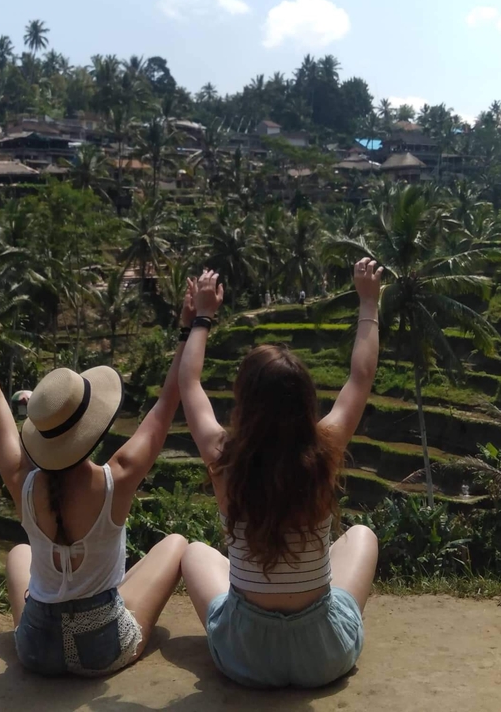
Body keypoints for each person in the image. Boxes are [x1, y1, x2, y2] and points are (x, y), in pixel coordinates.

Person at [0, 282, 193, 677]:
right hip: (100, 649)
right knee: (176, 544)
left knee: (20, 553)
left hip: (36, 649)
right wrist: (190, 328)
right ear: (93, 427)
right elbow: (168, 401)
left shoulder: (21, 481)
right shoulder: (118, 478)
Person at [178, 260, 382, 689]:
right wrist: (369, 302)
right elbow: (360, 378)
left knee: (196, 551)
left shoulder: (224, 459)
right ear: (306, 400)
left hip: (244, 658)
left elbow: (189, 384)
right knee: (361, 536)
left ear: (244, 401)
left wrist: (201, 318)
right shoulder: (325, 449)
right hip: (323, 656)